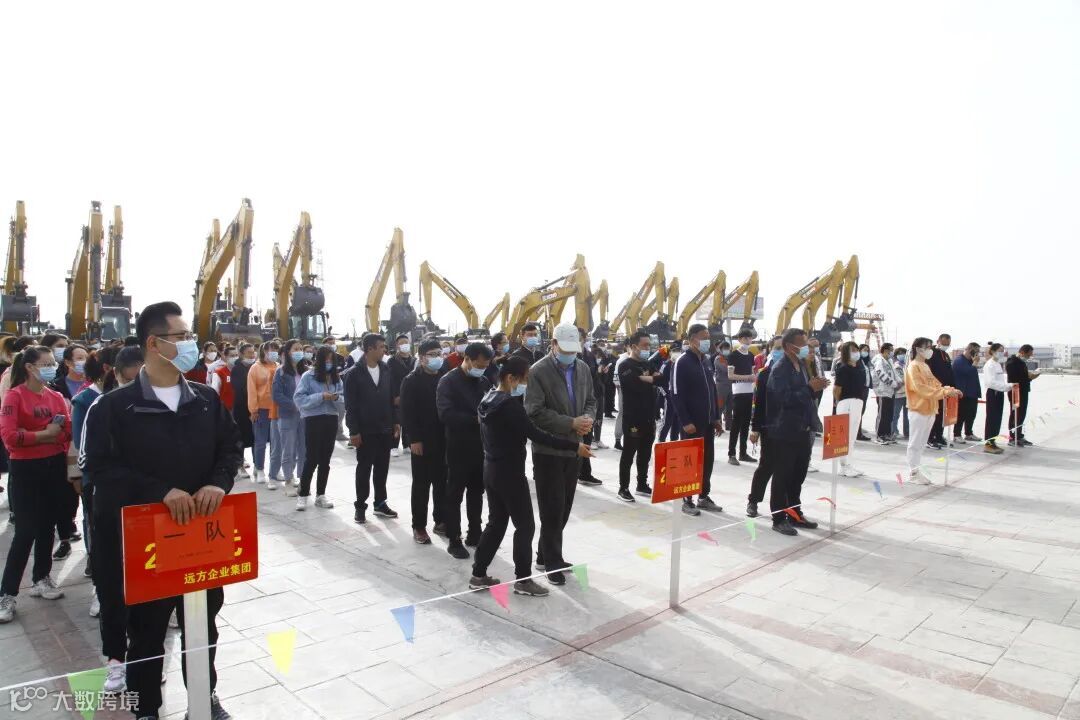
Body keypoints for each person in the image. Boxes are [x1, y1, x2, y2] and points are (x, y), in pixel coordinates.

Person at [80, 301, 241, 720]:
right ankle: (147, 708)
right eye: (182, 336)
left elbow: (230, 448)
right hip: (148, 543)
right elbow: (99, 469)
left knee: (202, 627)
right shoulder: (115, 408)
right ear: (154, 343)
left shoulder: (205, 400)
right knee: (147, 634)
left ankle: (204, 700)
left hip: (200, 540)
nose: (190, 344)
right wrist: (160, 492)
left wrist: (217, 483)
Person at [470, 356, 593, 597]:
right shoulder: (510, 406)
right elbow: (537, 435)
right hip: (510, 474)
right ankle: (523, 580)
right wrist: (574, 446)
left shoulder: (488, 399)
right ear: (511, 378)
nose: (526, 385)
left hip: (491, 468)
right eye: (524, 380)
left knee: (496, 523)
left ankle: (478, 574)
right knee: (525, 526)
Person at [0, 346, 72, 623]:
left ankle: (42, 578)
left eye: (53, 363)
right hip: (25, 469)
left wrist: (41, 434)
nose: (52, 367)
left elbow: (65, 432)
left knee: (47, 526)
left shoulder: (55, 397)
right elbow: (9, 437)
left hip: (53, 466)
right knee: (25, 531)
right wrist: (45, 434)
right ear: (30, 367)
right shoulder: (15, 396)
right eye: (46, 363)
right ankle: (7, 594)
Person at [525, 322, 596, 585]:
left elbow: (591, 400)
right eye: (565, 349)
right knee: (551, 508)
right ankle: (552, 562)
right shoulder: (538, 371)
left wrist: (587, 419)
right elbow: (534, 412)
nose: (570, 355)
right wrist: (570, 423)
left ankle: (545, 554)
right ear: (553, 344)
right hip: (549, 450)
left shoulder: (582, 368)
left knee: (564, 507)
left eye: (573, 350)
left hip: (574, 448)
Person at [765, 328, 827, 535]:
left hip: (803, 428)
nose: (805, 348)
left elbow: (806, 394)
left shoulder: (801, 365)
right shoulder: (780, 369)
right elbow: (783, 399)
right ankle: (778, 518)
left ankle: (794, 513)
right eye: (801, 344)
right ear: (788, 346)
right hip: (785, 430)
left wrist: (816, 388)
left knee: (798, 475)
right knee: (782, 475)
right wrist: (809, 389)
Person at [436, 342, 493, 558]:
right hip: (458, 446)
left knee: (476, 492)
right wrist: (474, 419)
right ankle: (454, 539)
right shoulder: (448, 381)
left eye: (485, 366)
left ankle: (475, 533)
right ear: (467, 359)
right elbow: (445, 414)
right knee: (455, 494)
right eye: (479, 365)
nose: (482, 370)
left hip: (481, 446)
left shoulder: (483, 381)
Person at [344, 333, 400, 524]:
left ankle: (380, 503)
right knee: (364, 469)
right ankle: (360, 506)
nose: (384, 350)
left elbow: (392, 399)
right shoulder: (353, 373)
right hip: (365, 431)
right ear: (370, 349)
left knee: (382, 468)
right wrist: (354, 431)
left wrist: (395, 422)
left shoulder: (386, 370)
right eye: (381, 347)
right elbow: (350, 406)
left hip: (384, 428)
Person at [671, 324, 723, 516]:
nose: (707, 341)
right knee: (690, 462)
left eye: (708, 337)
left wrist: (716, 417)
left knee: (706, 460)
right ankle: (687, 499)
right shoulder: (682, 362)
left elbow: (712, 390)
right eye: (703, 337)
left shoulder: (706, 361)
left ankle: (703, 496)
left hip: (707, 422)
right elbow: (676, 393)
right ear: (692, 339)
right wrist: (685, 421)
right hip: (692, 424)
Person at [400, 339, 448, 543]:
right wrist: (414, 439)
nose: (437, 358)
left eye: (439, 353)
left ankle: (441, 520)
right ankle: (419, 526)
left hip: (443, 438)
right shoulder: (411, 381)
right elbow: (407, 413)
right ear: (421, 358)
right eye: (432, 354)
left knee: (442, 482)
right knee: (421, 484)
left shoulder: (445, 377)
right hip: (422, 440)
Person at [70, 351, 108, 606]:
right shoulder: (86, 400)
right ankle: (99, 588)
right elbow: (79, 443)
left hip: (130, 484)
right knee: (98, 532)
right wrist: (77, 475)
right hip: (97, 479)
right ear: (108, 368)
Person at [904, 337, 962, 484]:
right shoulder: (913, 366)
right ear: (919, 349)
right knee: (915, 443)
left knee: (921, 443)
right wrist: (945, 392)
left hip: (930, 409)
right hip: (918, 409)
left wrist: (950, 390)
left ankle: (917, 470)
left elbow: (935, 385)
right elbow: (921, 388)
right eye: (928, 347)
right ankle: (913, 473)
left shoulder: (925, 366)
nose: (931, 350)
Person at [293, 345, 344, 510]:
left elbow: (344, 399)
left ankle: (321, 495)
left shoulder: (336, 378)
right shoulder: (308, 376)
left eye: (332, 360)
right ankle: (303, 494)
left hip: (331, 419)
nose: (329, 363)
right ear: (319, 360)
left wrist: (335, 398)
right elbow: (299, 399)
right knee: (311, 458)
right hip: (313, 419)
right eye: (326, 360)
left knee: (325, 460)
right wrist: (321, 396)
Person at [616, 331, 659, 502]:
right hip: (633, 417)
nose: (648, 348)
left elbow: (661, 379)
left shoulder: (648, 364)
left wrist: (645, 378)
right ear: (634, 346)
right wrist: (650, 379)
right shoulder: (625, 365)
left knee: (645, 453)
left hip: (649, 416)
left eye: (649, 345)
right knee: (629, 453)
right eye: (644, 345)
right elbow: (635, 386)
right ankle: (623, 488)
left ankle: (642, 484)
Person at [747, 343, 785, 517]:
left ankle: (783, 508)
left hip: (790, 428)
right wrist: (755, 428)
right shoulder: (764, 374)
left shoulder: (796, 371)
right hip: (770, 427)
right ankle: (753, 501)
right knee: (766, 466)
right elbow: (758, 403)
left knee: (785, 470)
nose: (780, 352)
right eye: (777, 348)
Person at [273, 340, 307, 497]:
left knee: (304, 449)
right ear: (288, 352)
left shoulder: (306, 371)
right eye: (295, 349)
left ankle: (302, 479)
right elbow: (277, 395)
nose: (299, 351)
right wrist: (294, 405)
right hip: (288, 415)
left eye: (301, 349)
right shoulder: (280, 372)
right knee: (288, 449)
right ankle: (288, 480)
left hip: (305, 416)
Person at [247, 340, 280, 484]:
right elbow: (252, 390)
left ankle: (275, 468)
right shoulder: (255, 368)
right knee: (260, 441)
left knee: (276, 441)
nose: (274, 353)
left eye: (276, 350)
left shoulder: (278, 366)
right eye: (271, 350)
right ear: (264, 351)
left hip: (277, 408)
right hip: (261, 409)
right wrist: (253, 409)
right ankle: (259, 468)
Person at [832, 341, 867, 477]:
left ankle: (849, 464)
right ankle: (844, 466)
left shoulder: (859, 366)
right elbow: (837, 389)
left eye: (857, 349)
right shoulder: (843, 368)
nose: (856, 352)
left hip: (858, 401)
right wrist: (839, 402)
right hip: (846, 402)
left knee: (852, 436)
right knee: (844, 436)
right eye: (853, 350)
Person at [576, 327, 603, 486]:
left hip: (589, 401)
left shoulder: (589, 355)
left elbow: (594, 378)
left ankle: (585, 473)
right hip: (574, 405)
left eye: (579, 338)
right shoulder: (568, 357)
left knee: (586, 438)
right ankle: (578, 472)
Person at [727, 330, 756, 465]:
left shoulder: (751, 355)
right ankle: (731, 453)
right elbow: (730, 376)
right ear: (739, 339)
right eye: (745, 338)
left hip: (749, 391)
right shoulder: (733, 355)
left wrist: (753, 378)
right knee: (736, 424)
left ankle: (743, 453)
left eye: (749, 338)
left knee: (745, 424)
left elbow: (752, 372)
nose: (748, 341)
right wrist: (747, 377)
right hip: (738, 391)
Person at [981, 342, 1012, 454]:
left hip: (999, 393)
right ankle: (988, 445)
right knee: (992, 419)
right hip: (993, 393)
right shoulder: (989, 365)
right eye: (999, 350)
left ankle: (993, 442)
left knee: (997, 419)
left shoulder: (998, 364)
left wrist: (1007, 386)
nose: (1001, 352)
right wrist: (1006, 387)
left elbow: (999, 380)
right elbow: (990, 382)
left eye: (1003, 351)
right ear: (993, 351)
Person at [926, 334, 956, 449]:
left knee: (942, 415)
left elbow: (949, 372)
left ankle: (939, 436)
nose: (945, 346)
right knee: (934, 415)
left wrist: (952, 386)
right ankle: (930, 438)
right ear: (938, 341)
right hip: (935, 389)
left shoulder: (945, 355)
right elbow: (929, 372)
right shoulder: (931, 353)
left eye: (948, 344)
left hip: (945, 390)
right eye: (943, 344)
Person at [388, 333, 415, 458]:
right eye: (402, 343)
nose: (405, 345)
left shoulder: (413, 360)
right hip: (398, 395)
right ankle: (393, 446)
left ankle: (406, 445)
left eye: (406, 342)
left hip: (410, 394)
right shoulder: (392, 361)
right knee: (396, 420)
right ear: (397, 346)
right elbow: (391, 379)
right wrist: (395, 395)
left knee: (408, 419)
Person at [1006, 344, 1040, 447]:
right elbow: (1015, 378)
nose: (1029, 357)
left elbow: (1022, 375)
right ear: (1022, 352)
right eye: (1028, 354)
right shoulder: (1012, 362)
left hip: (1023, 391)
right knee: (1015, 414)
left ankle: (1019, 436)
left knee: (1021, 414)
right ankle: (1012, 437)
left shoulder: (1021, 362)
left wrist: (1030, 375)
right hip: (1016, 391)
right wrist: (1030, 377)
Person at [230, 343, 256, 478]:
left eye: (253, 352)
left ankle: (258, 465)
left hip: (255, 408)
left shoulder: (255, 367)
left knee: (256, 438)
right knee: (241, 439)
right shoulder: (237, 369)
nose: (252, 355)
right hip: (242, 409)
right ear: (241, 354)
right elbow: (239, 389)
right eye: (249, 353)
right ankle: (239, 466)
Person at [871, 343, 902, 445]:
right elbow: (881, 374)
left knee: (889, 414)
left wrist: (899, 381)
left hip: (890, 391)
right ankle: (879, 436)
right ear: (885, 350)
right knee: (882, 415)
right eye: (891, 350)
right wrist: (894, 384)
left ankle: (887, 435)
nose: (892, 352)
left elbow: (894, 373)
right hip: (882, 391)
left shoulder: (889, 360)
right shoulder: (879, 360)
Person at [952, 342, 983, 443]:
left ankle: (969, 433)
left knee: (971, 414)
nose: (977, 354)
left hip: (972, 392)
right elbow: (968, 372)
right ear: (969, 350)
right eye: (976, 351)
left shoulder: (970, 361)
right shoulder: (959, 361)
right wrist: (975, 363)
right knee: (961, 415)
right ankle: (957, 434)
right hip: (963, 393)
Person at [658, 344, 682, 443]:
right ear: (670, 352)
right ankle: (661, 440)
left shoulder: (681, 364)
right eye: (674, 351)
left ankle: (674, 441)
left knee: (677, 422)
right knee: (667, 421)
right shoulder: (666, 365)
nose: (677, 353)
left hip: (679, 399)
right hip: (669, 398)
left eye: (679, 351)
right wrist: (666, 395)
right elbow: (659, 382)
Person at [591, 342, 612, 447]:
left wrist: (605, 373)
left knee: (599, 417)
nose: (599, 359)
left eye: (600, 357)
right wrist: (598, 372)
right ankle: (591, 439)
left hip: (600, 394)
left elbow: (604, 381)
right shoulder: (590, 367)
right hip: (592, 395)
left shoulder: (600, 366)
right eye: (597, 357)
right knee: (592, 417)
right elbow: (592, 380)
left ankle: (598, 439)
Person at [612, 339, 631, 450]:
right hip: (623, 391)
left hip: (634, 392)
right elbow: (616, 380)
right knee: (622, 413)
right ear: (627, 346)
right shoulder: (622, 360)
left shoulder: (637, 359)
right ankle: (618, 439)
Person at [207, 345, 237, 412]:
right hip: (226, 410)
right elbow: (214, 392)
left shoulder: (241, 371)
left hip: (240, 408)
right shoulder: (219, 373)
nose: (235, 358)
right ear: (225, 357)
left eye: (236, 355)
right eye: (232, 356)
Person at [891, 348, 910, 440]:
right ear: (896, 355)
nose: (902, 355)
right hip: (898, 394)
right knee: (895, 414)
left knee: (907, 415)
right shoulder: (896, 366)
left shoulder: (907, 365)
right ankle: (894, 431)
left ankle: (907, 432)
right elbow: (902, 380)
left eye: (904, 353)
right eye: (900, 353)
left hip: (907, 394)